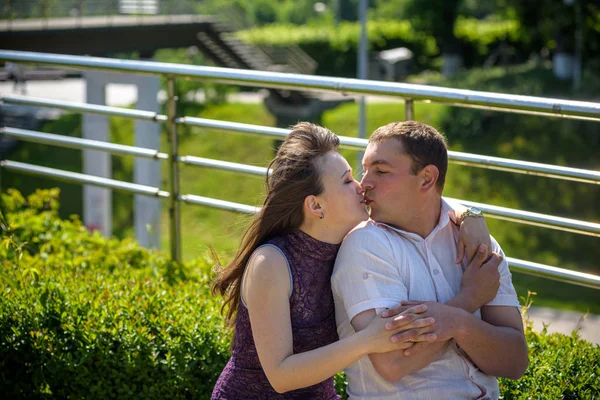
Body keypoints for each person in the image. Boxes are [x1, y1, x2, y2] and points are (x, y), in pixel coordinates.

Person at [211, 122, 494, 399]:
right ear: (316, 206)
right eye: (348, 180)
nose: (362, 186)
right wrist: (368, 340)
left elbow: (423, 200)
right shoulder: (271, 263)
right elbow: (281, 376)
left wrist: (471, 214)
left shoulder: (348, 243)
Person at [332, 121, 528, 399]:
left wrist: (456, 321)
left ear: (427, 178)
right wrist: (469, 300)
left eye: (381, 171)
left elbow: (515, 361)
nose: (364, 185)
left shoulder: (474, 239)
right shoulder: (365, 245)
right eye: (365, 170)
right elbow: (394, 363)